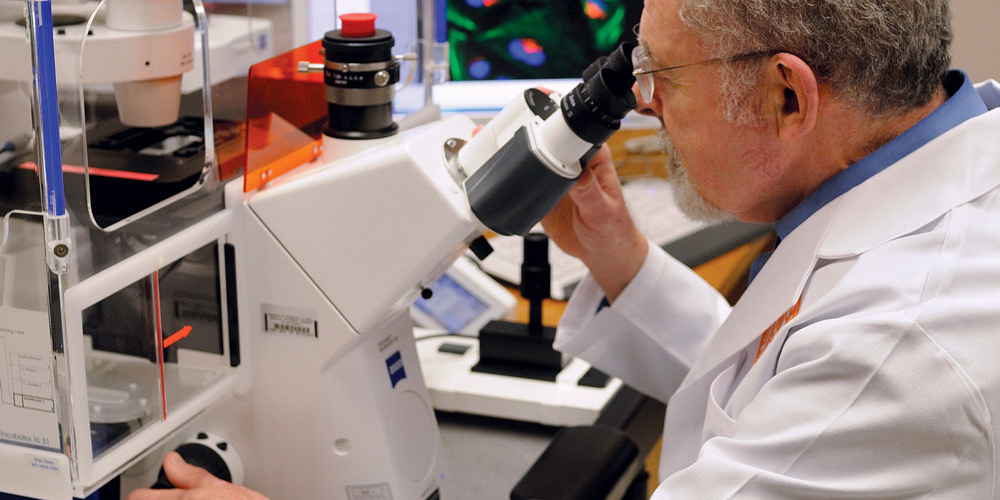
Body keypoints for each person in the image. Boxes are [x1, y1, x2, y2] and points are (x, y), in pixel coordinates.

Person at [129, 0, 1000, 498]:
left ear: (787, 98)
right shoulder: (909, 194)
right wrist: (622, 259)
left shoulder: (899, 343)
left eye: (661, 75)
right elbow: (771, 381)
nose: (643, 103)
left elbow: (830, 384)